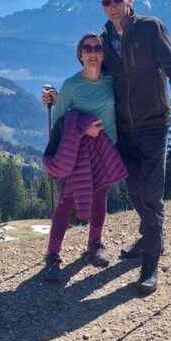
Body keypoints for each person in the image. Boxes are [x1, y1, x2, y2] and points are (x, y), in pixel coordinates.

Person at [44, 0, 171, 295]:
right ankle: (148, 237)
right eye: (106, 2)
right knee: (135, 190)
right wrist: (57, 97)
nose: (112, 5)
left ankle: (150, 264)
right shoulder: (105, 39)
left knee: (150, 194)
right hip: (123, 130)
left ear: (129, 0)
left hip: (153, 125)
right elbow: (90, 75)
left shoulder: (150, 29)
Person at [40, 33, 127, 282]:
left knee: (100, 196)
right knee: (66, 201)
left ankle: (95, 244)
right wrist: (82, 127)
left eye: (97, 48)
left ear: (103, 54)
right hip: (77, 155)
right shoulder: (70, 85)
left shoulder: (112, 80)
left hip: (106, 150)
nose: (92, 52)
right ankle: (53, 255)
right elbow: (60, 120)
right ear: (80, 55)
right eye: (87, 48)